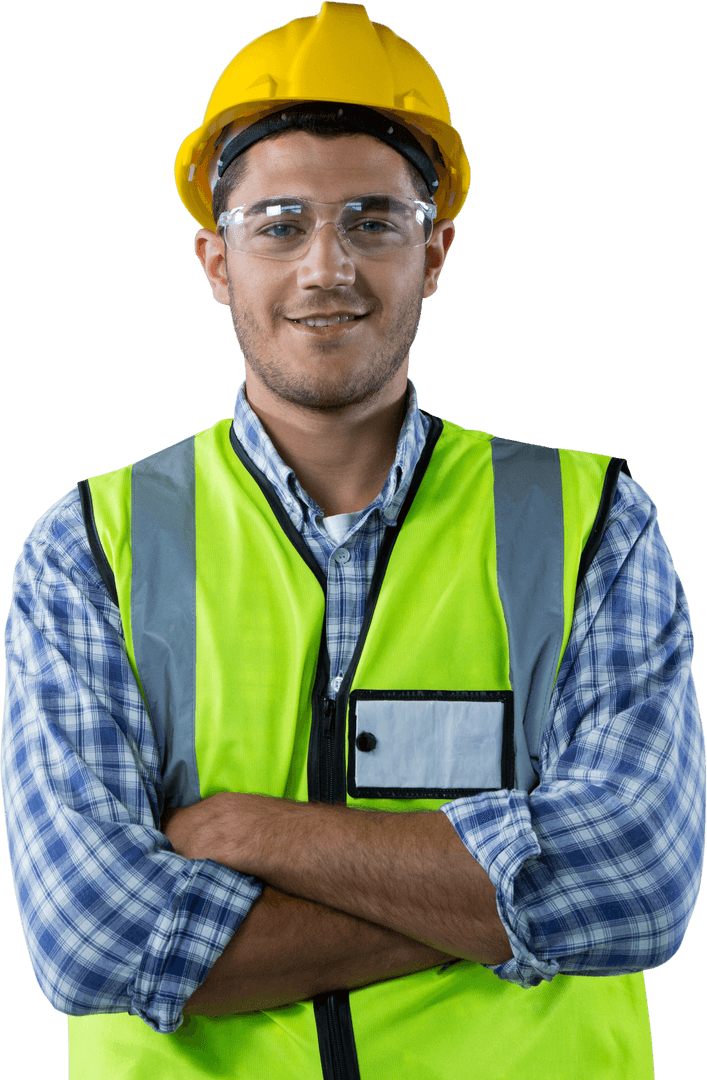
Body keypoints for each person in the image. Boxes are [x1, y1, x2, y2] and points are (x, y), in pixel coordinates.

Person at [2, 3, 704, 1078]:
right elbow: (93, 937)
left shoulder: (589, 523)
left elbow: (639, 882)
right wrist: (495, 909)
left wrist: (244, 833)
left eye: (373, 220)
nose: (325, 267)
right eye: (277, 223)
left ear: (434, 251)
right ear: (213, 261)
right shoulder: (90, 547)